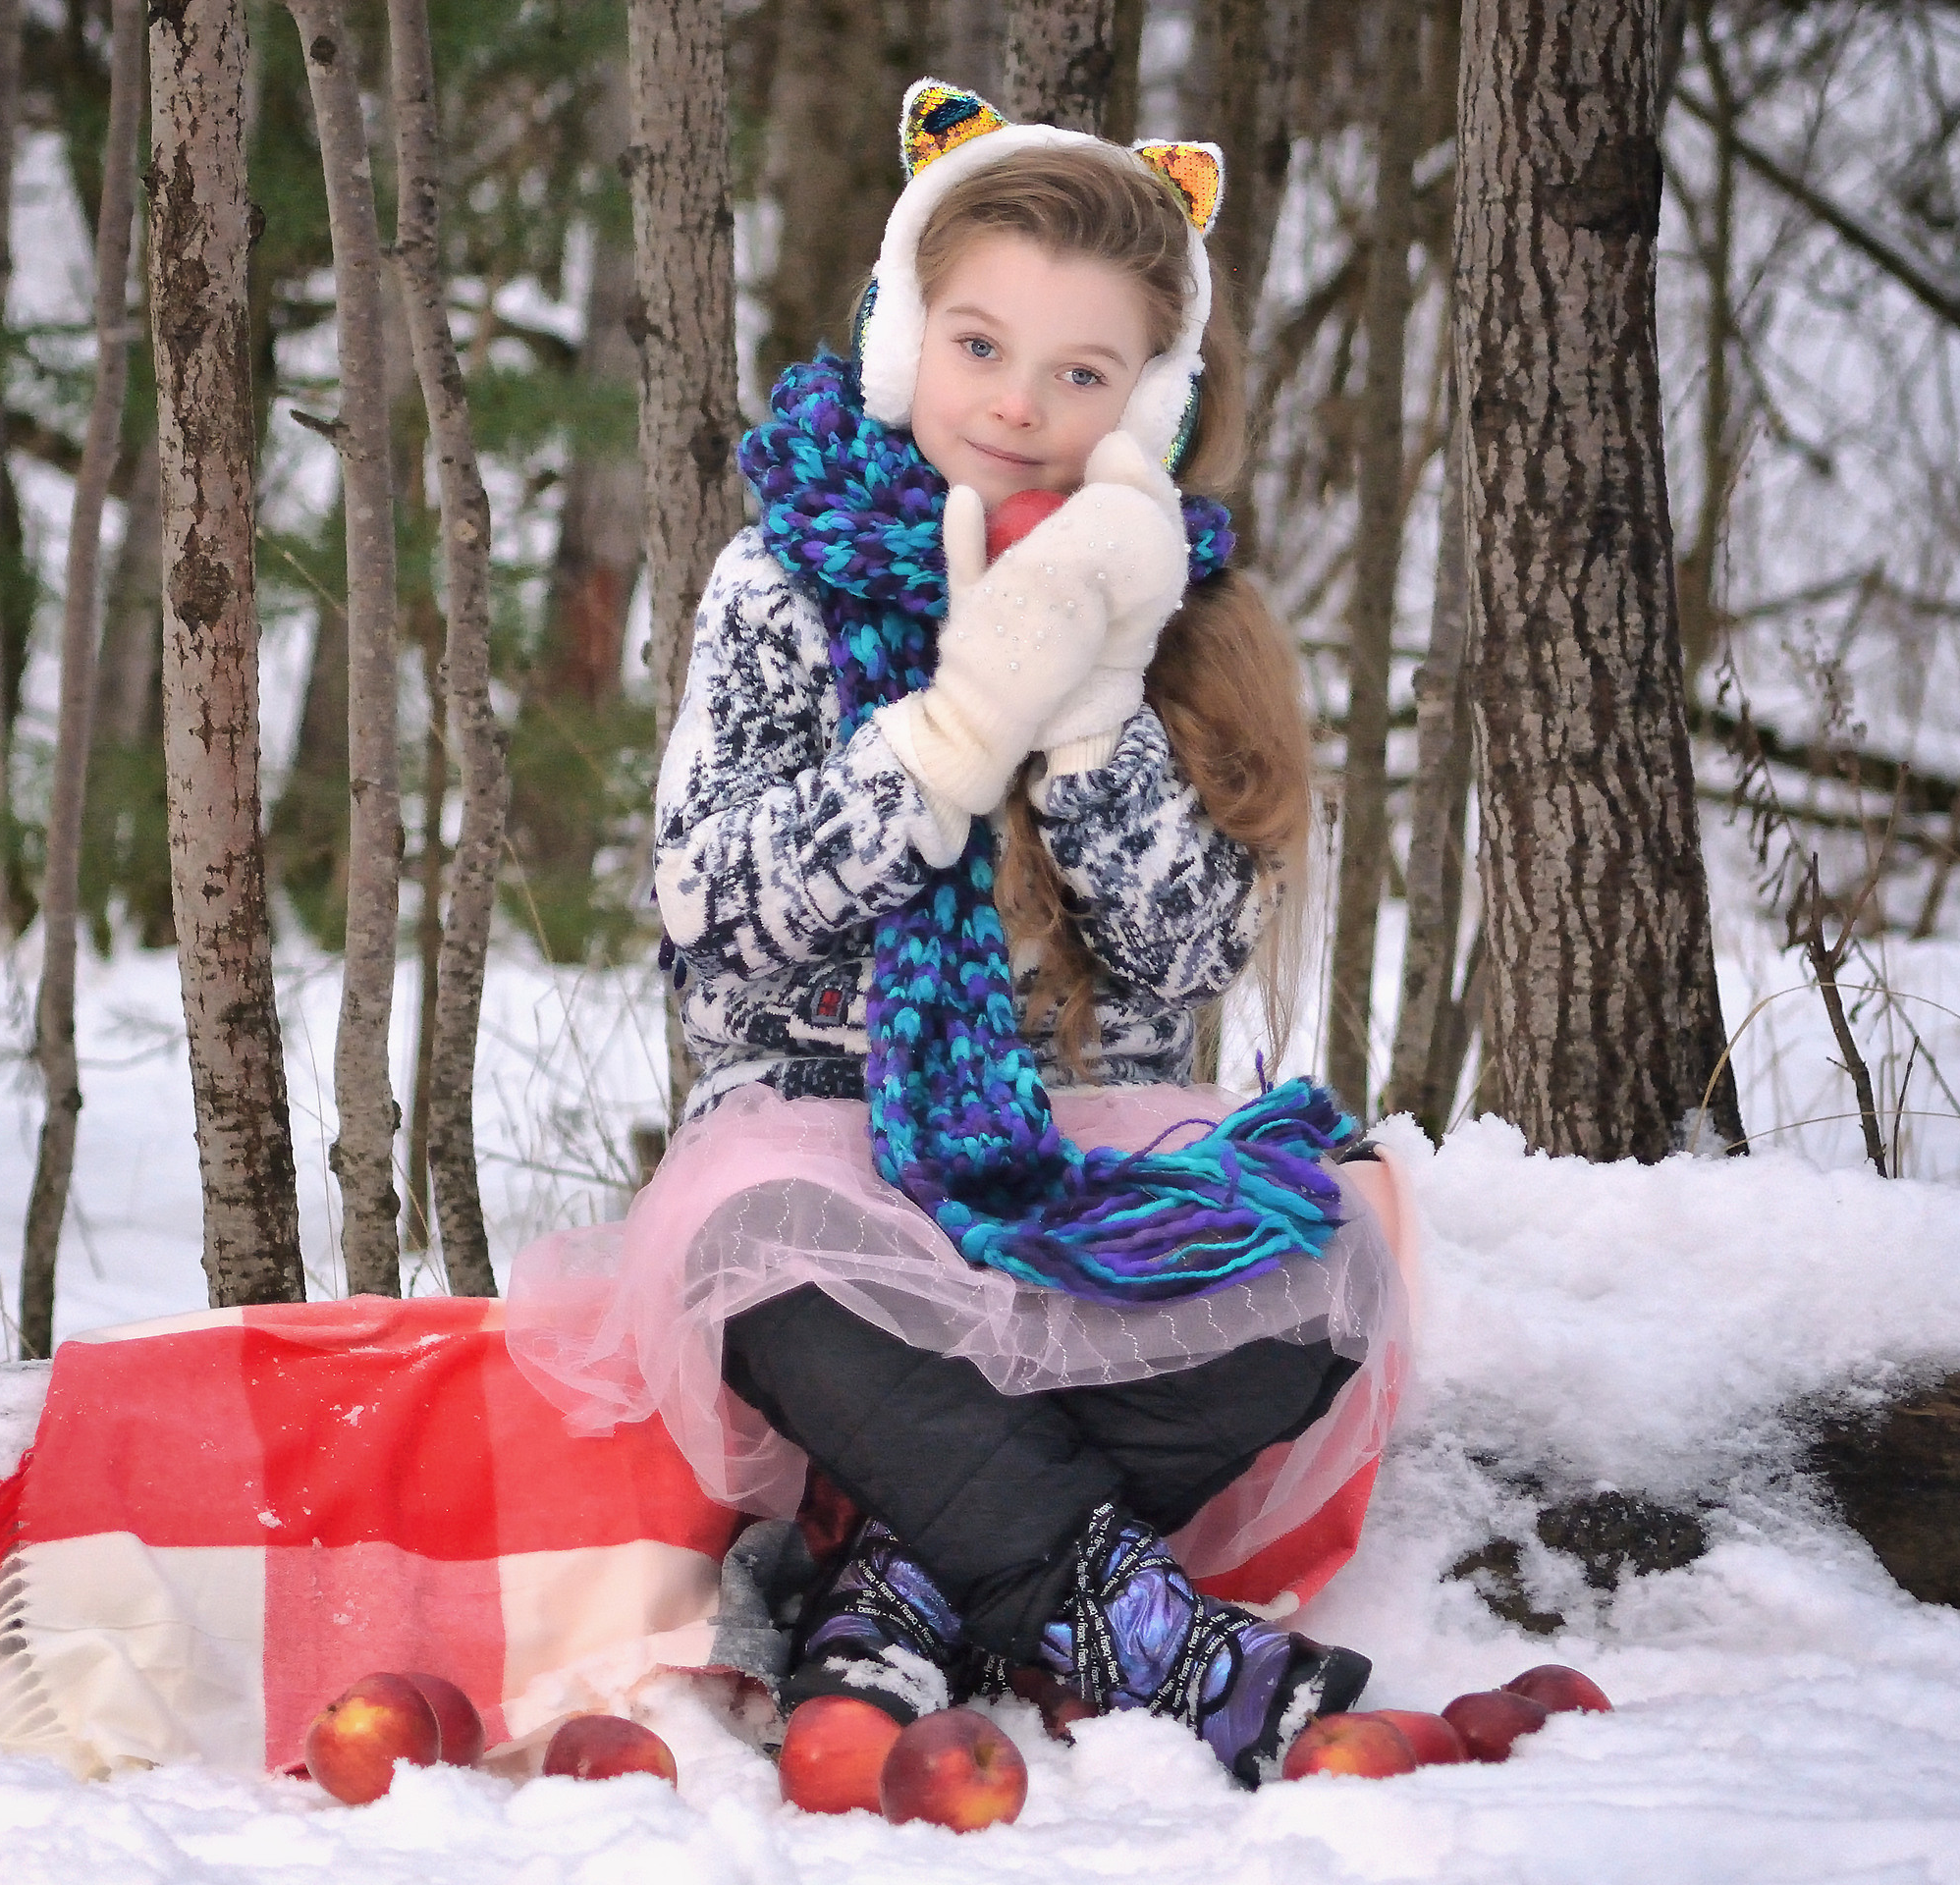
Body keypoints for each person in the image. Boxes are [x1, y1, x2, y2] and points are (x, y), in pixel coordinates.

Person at [508, 80, 1405, 1790]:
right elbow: (715, 927)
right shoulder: (780, 582)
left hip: (1082, 1136)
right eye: (981, 346)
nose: (1019, 405)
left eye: (1084, 375)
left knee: (1316, 1273)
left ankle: (902, 1594)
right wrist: (941, 734)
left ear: (1151, 404)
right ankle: (1144, 1632)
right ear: (903, 334)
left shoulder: (1184, 614)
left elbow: (1175, 956)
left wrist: (1081, 703)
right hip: (823, 1145)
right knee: (762, 1255)